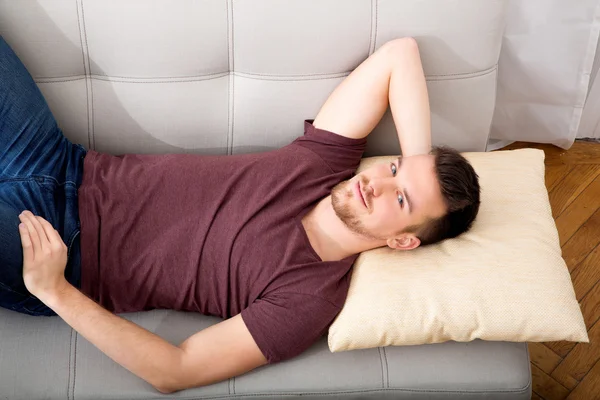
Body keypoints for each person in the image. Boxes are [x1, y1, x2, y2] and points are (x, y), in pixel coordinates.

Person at [0, 35, 480, 393]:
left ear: (403, 241)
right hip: (56, 158)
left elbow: (176, 369)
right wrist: (417, 162)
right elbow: (400, 54)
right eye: (393, 168)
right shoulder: (324, 165)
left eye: (401, 200)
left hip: (59, 248)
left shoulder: (308, 299)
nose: (375, 183)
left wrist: (55, 290)